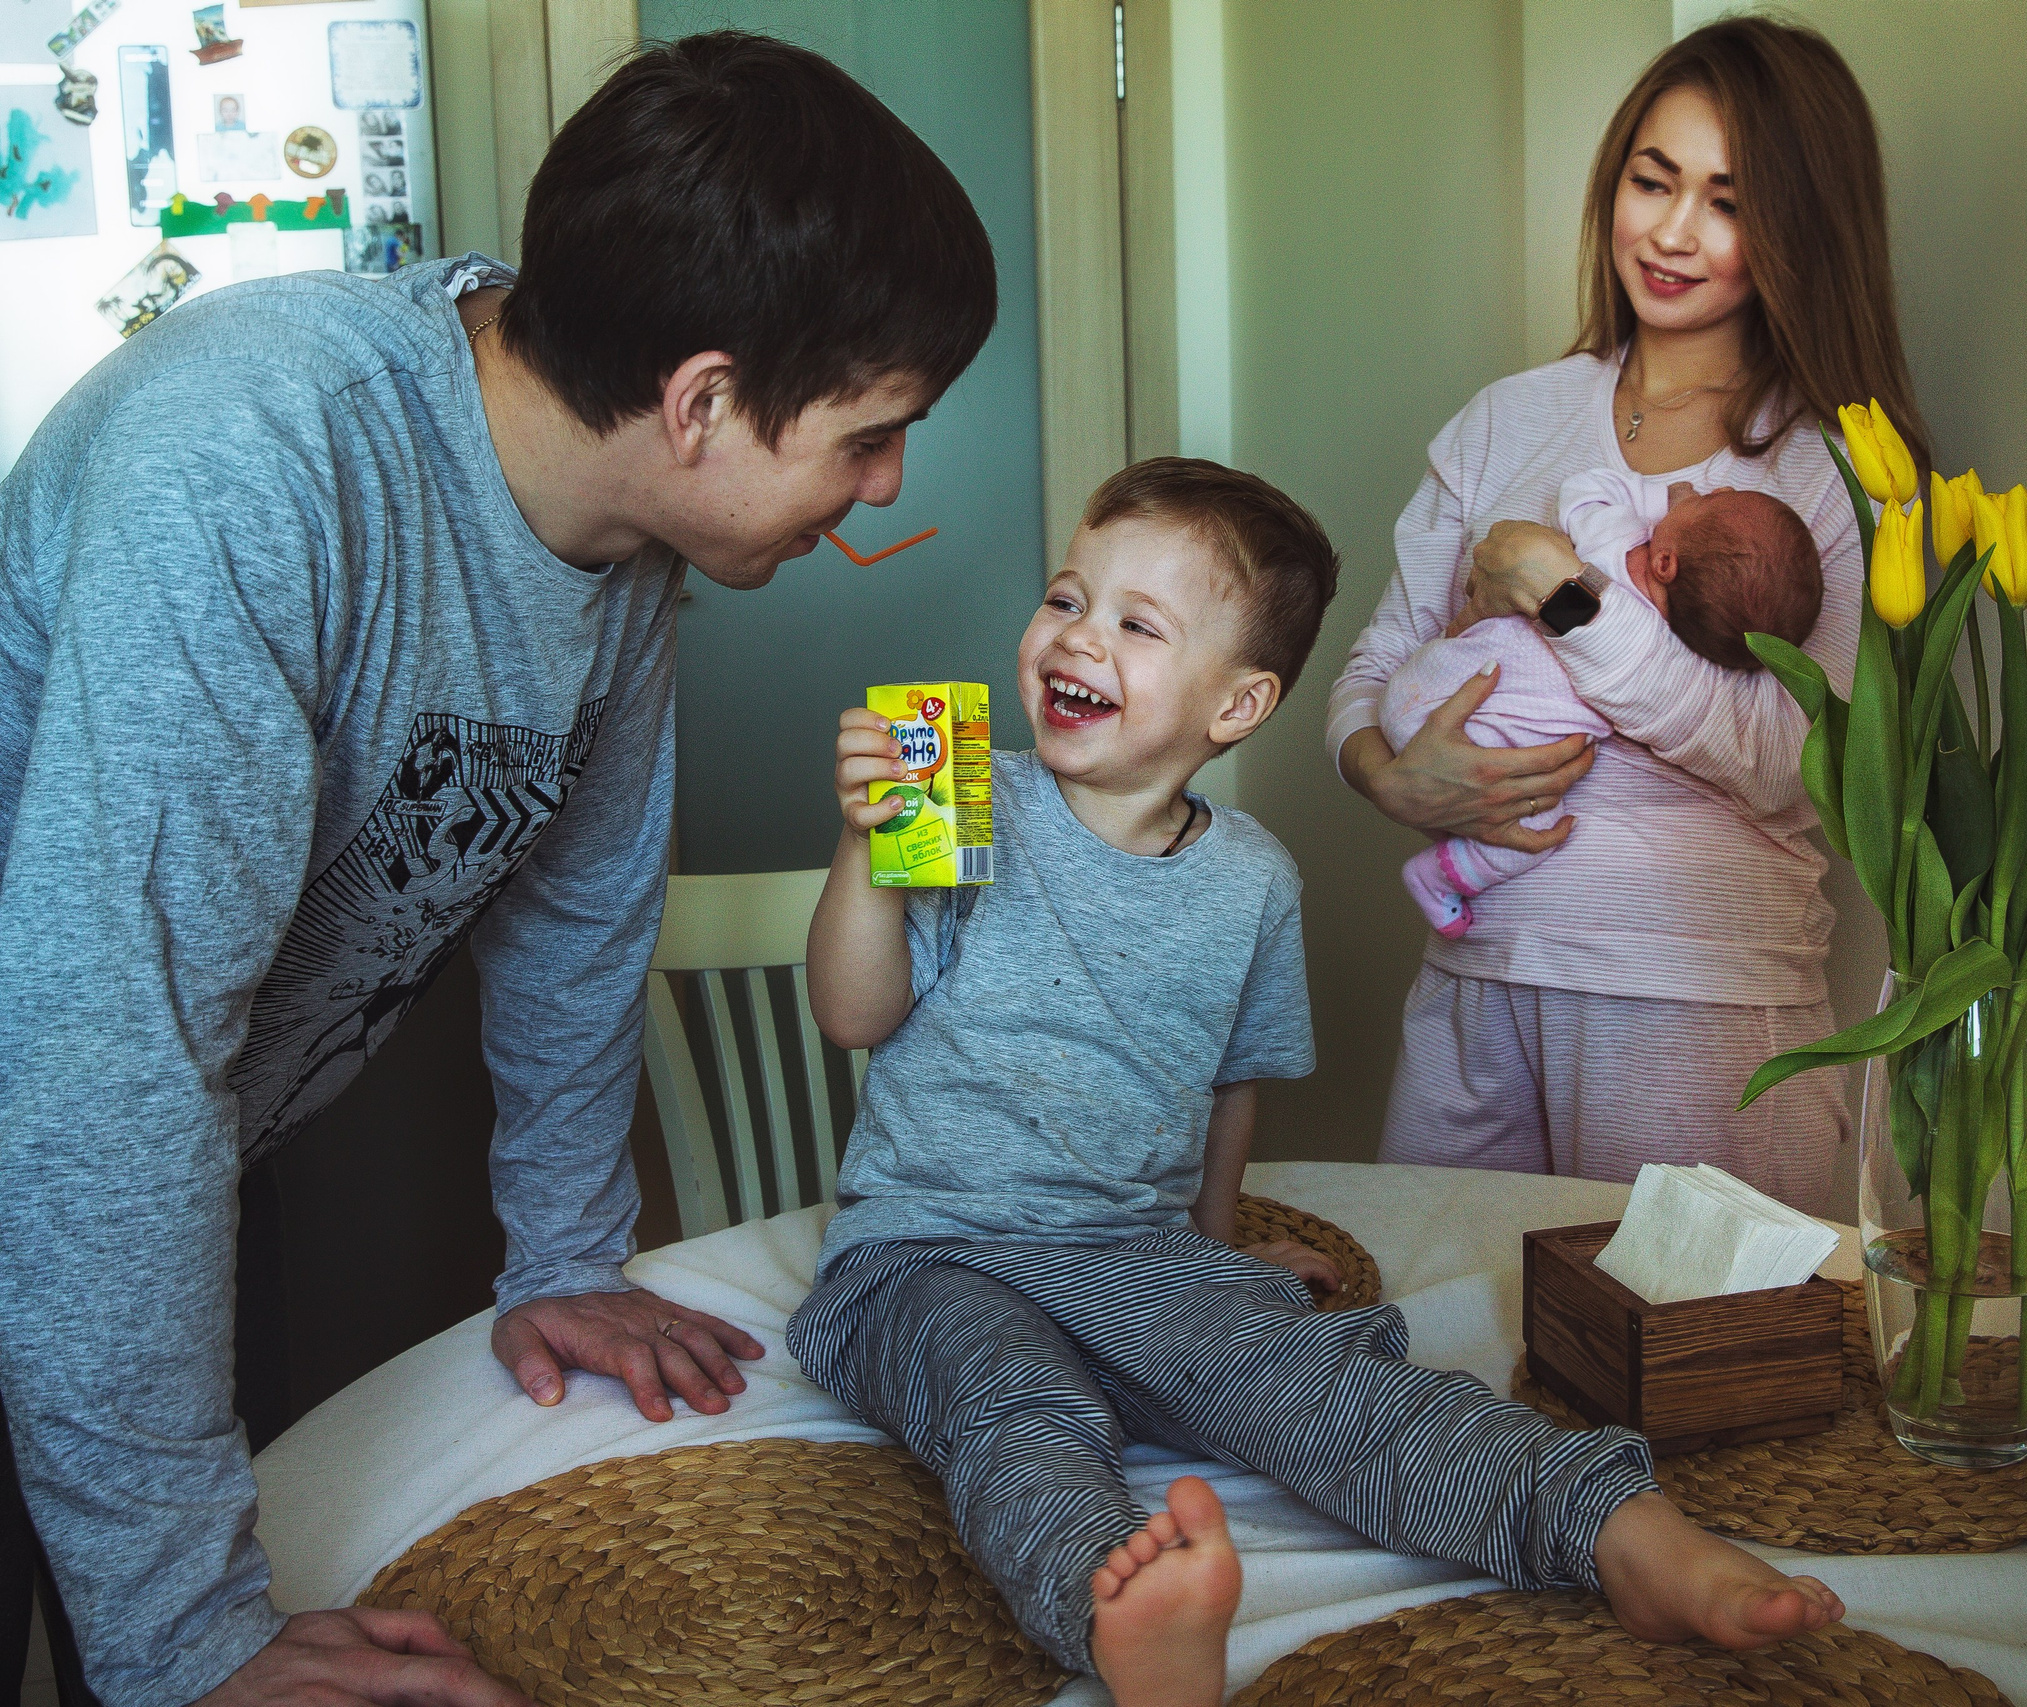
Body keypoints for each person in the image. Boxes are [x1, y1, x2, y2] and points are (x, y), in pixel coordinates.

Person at [0, 32, 996, 1707]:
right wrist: (185, 1634)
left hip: (159, 1176)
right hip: (72, 1135)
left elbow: (580, 910)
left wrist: (563, 1260)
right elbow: (108, 1066)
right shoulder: (250, 457)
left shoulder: (617, 546)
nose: (889, 484)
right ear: (701, 401)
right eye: (870, 434)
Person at [784, 456, 1848, 1707]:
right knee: (1012, 1405)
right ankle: (1111, 1607)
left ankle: (1606, 1525)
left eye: (1136, 624)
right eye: (1069, 599)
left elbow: (1233, 1088)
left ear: (1235, 707)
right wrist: (863, 847)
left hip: (1129, 1253)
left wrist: (1216, 1249)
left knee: (1316, 1376)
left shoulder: (1250, 881)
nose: (1076, 638)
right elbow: (855, 1014)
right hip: (922, 1255)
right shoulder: (958, 806)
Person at [1327, 17, 1931, 1207]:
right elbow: (1376, 662)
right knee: (1440, 1350)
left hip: (1697, 1010)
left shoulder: (1838, 469)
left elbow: (1799, 765)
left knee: (1697, 1375)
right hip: (1475, 981)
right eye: (1651, 181)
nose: (1669, 232)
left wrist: (1567, 600)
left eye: (1727, 201)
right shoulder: (1508, 419)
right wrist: (1381, 775)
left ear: (1801, 230)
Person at [1388, 474, 1821, 938]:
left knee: (1514, 806)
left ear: (1666, 563)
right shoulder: (1689, 659)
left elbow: (1584, 490)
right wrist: (1690, 517)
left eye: (1715, 502)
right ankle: (1436, 877)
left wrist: (1659, 503)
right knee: (1537, 828)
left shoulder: (1615, 537)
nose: (1721, 488)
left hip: (1430, 687)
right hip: (1469, 732)